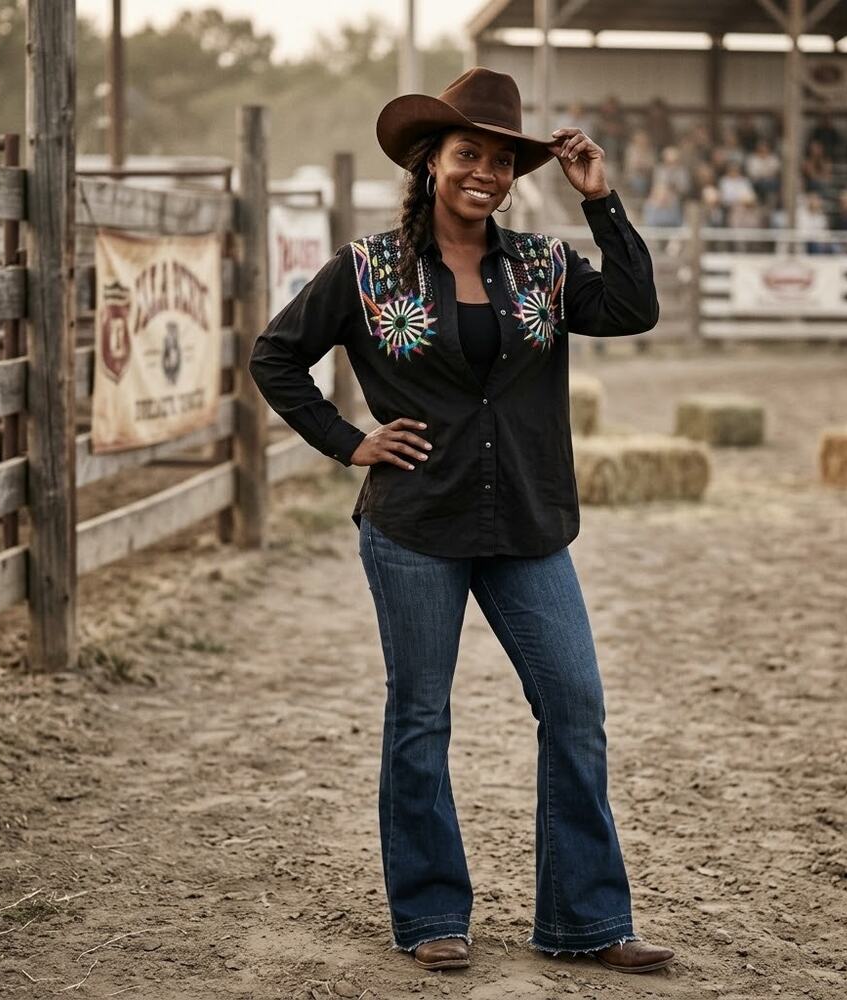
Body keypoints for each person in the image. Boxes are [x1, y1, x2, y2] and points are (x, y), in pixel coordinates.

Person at [248, 67, 674, 977]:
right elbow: (275, 356)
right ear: (429, 161)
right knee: (421, 717)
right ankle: (432, 913)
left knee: (575, 708)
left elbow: (636, 308)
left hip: (528, 526)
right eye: (467, 153)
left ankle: (586, 921)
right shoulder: (369, 270)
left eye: (501, 160)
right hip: (414, 527)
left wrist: (600, 202)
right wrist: (348, 441)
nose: (485, 171)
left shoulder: (542, 267)